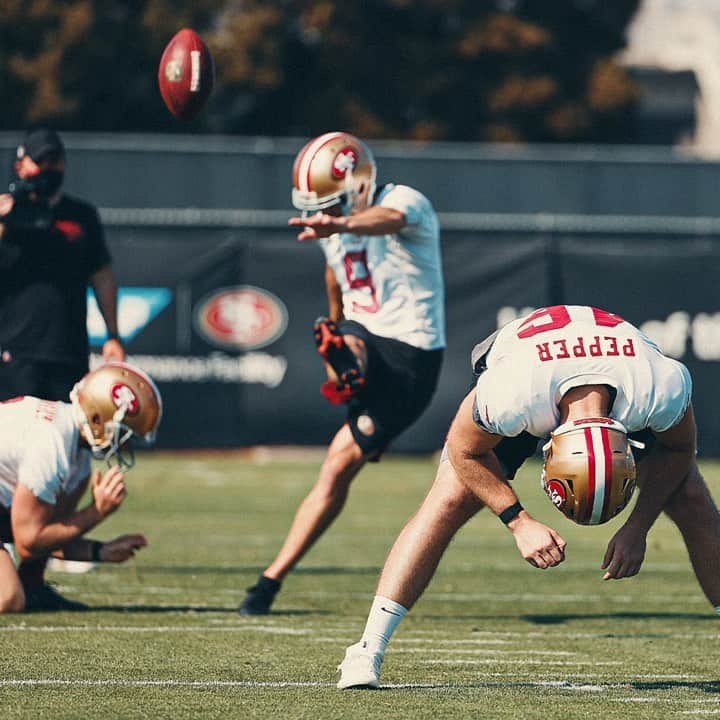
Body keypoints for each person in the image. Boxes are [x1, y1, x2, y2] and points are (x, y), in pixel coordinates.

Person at [336, 303, 720, 688]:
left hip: (613, 357)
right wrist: (518, 521)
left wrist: (639, 526)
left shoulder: (658, 387)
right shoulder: (512, 394)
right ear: (547, 447)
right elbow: (462, 448)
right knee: (451, 496)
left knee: (688, 493)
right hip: (525, 353)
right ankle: (367, 647)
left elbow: (679, 451)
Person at [240, 131, 446, 615]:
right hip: (365, 336)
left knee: (340, 453)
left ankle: (352, 362)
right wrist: (333, 324)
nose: (322, 217)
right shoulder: (333, 229)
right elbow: (336, 272)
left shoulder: (401, 201)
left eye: (329, 206)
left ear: (356, 187)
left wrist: (342, 224)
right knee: (336, 462)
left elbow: (387, 220)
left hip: (410, 357)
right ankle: (270, 580)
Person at [0, 361, 162, 612]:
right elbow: (28, 542)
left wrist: (100, 551)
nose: (122, 445)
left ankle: (32, 588)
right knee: (7, 596)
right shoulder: (51, 442)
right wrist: (97, 512)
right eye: (123, 433)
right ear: (97, 418)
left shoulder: (77, 459)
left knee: (17, 594)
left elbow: (49, 537)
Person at [0, 127, 124, 403]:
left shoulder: (81, 216)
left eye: (53, 161)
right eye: (40, 161)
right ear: (21, 166)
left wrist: (112, 335)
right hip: (15, 355)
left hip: (68, 353)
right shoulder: (7, 216)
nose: (48, 169)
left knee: (68, 439)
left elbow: (102, 276)